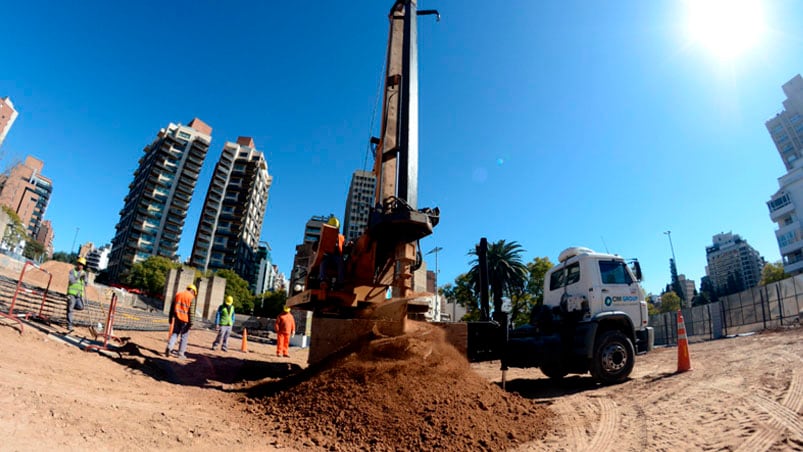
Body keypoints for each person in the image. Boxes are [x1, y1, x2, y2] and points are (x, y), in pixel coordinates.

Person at [165, 284, 197, 359]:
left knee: (174, 334)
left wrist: (170, 318)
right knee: (184, 337)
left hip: (176, 318)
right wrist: (191, 323)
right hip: (185, 320)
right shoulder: (191, 297)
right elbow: (191, 312)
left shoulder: (178, 294)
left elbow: (172, 307)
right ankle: (180, 354)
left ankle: (169, 347)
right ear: (193, 291)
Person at [66, 257, 89, 333]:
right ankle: (69, 325)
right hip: (71, 294)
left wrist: (85, 279)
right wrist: (79, 276)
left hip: (79, 295)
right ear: (77, 264)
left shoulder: (84, 273)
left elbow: (86, 284)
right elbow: (72, 281)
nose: (81, 266)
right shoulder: (72, 271)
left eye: (82, 265)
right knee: (70, 310)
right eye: (80, 264)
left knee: (81, 307)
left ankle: (70, 306)